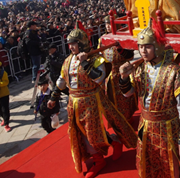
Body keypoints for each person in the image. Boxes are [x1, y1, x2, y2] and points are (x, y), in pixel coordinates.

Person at [119, 20, 180, 178]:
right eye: (140, 47)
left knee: (173, 164)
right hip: (146, 126)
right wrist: (124, 78)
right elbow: (128, 93)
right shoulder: (140, 70)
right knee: (150, 163)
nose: (143, 51)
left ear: (157, 47)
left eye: (147, 46)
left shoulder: (175, 72)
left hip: (169, 128)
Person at [47, 27, 137, 177]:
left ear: (81, 43)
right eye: (69, 44)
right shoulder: (68, 60)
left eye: (74, 43)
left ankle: (100, 159)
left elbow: (99, 78)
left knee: (92, 133)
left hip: (91, 101)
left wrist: (85, 63)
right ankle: (110, 145)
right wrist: (53, 98)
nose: (71, 47)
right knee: (79, 133)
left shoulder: (96, 59)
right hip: (74, 103)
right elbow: (62, 81)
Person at [100, 17, 137, 122]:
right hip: (109, 73)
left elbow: (130, 56)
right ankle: (116, 120)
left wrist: (120, 50)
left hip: (122, 71)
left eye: (109, 24)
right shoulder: (102, 38)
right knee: (111, 98)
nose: (107, 26)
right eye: (106, 24)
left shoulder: (123, 37)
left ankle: (127, 117)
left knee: (124, 97)